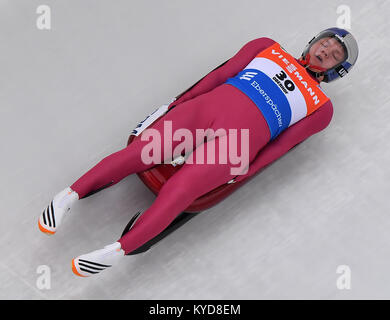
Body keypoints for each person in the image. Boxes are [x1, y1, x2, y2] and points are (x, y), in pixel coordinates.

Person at [38, 27, 358, 277]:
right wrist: (179, 103)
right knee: (143, 152)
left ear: (334, 70)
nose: (325, 51)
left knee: (182, 188)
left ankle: (116, 250)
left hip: (238, 143)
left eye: (332, 55)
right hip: (204, 110)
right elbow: (220, 75)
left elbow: (281, 147)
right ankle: (68, 196)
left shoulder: (321, 108)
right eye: (325, 43)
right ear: (314, 41)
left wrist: (243, 172)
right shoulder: (266, 47)